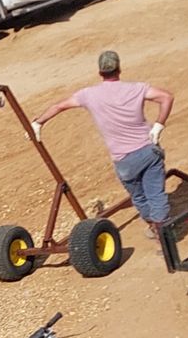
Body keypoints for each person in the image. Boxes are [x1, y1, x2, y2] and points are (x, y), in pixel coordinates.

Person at [32, 50, 176, 236]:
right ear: (119, 69)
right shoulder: (136, 88)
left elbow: (59, 106)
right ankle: (163, 234)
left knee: (139, 196)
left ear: (100, 72)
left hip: (123, 161)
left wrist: (38, 122)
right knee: (156, 194)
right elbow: (167, 97)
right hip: (147, 152)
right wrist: (158, 125)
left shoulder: (88, 95)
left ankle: (152, 226)